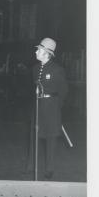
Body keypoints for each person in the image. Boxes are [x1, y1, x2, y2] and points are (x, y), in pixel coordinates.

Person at [29, 38, 68, 179]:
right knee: (34, 135)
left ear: (47, 53)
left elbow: (64, 91)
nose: (36, 51)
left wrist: (56, 108)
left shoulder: (57, 70)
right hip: (38, 107)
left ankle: (49, 169)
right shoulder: (35, 69)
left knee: (51, 138)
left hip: (52, 108)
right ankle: (30, 166)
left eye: (39, 49)